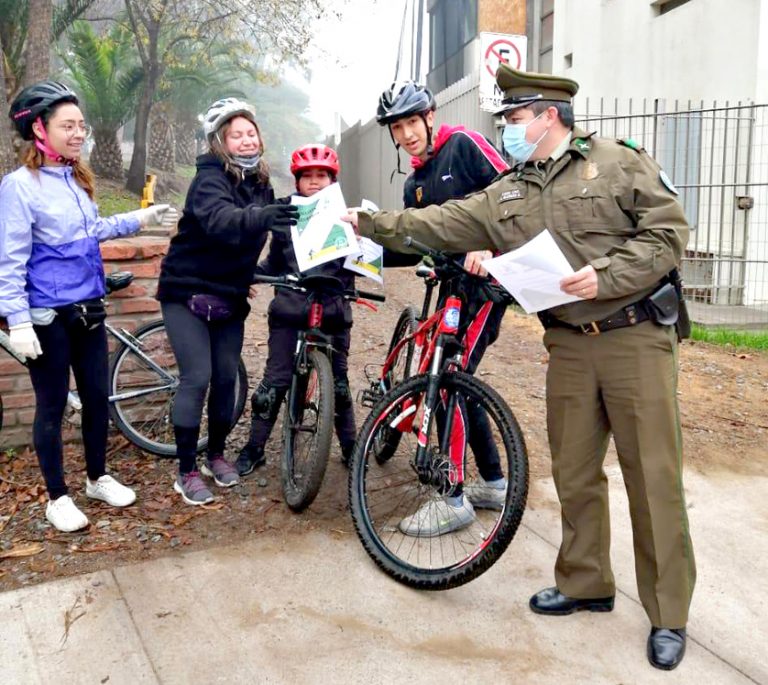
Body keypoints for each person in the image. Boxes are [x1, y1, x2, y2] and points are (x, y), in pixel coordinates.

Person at [346, 64, 695, 671]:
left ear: (548, 116)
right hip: (568, 344)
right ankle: (586, 581)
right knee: (574, 470)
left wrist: (607, 275)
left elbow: (667, 234)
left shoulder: (617, 162)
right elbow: (443, 221)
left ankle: (668, 612)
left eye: (514, 117)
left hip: (633, 338)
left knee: (652, 476)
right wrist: (371, 223)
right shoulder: (513, 189)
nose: (506, 126)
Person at [0, 80, 169, 532]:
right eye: (67, 126)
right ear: (39, 129)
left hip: (88, 306)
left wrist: (140, 218)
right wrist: (18, 321)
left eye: (81, 125)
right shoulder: (19, 187)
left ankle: (97, 478)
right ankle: (57, 498)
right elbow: (10, 261)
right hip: (48, 317)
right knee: (52, 406)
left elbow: (91, 231)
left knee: (96, 398)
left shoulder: (77, 178)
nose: (78, 134)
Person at [375, 80, 511, 537]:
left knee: (449, 376)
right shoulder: (414, 184)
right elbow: (414, 244)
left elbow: (516, 193)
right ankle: (493, 483)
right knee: (459, 378)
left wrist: (489, 245)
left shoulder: (464, 145)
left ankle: (452, 498)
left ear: (430, 116)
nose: (407, 134)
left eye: (412, 122)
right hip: (452, 287)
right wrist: (363, 251)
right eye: (398, 128)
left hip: (487, 285)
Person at [156, 97, 297, 506]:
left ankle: (215, 455)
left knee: (225, 379)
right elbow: (221, 221)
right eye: (237, 135)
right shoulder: (209, 179)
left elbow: (261, 235)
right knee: (197, 377)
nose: (247, 140)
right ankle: (185, 471)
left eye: (251, 133)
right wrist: (264, 215)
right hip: (186, 290)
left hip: (229, 294)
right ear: (220, 142)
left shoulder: (261, 182)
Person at [236, 143, 357, 476]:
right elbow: (274, 261)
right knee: (274, 382)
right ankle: (254, 447)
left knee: (340, 385)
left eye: (322, 175)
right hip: (290, 308)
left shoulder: (348, 217)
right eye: (307, 176)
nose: (314, 182)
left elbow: (359, 263)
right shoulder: (285, 215)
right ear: (297, 181)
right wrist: (251, 274)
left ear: (333, 180)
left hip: (333, 310)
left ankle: (352, 447)